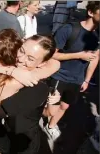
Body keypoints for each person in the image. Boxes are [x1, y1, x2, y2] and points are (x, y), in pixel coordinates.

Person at [0, 31, 60, 154]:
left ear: (42, 63)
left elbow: (49, 112)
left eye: (30, 58)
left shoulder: (35, 86)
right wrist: (11, 71)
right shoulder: (15, 71)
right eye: (21, 51)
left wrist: (54, 99)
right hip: (8, 134)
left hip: (24, 144)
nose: (21, 59)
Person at [45, 1, 100, 142]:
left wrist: (87, 79)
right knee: (51, 110)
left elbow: (94, 59)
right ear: (90, 12)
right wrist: (79, 55)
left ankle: (51, 127)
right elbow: (52, 54)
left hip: (77, 79)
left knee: (64, 106)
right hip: (59, 75)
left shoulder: (97, 36)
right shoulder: (69, 29)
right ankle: (32, 115)